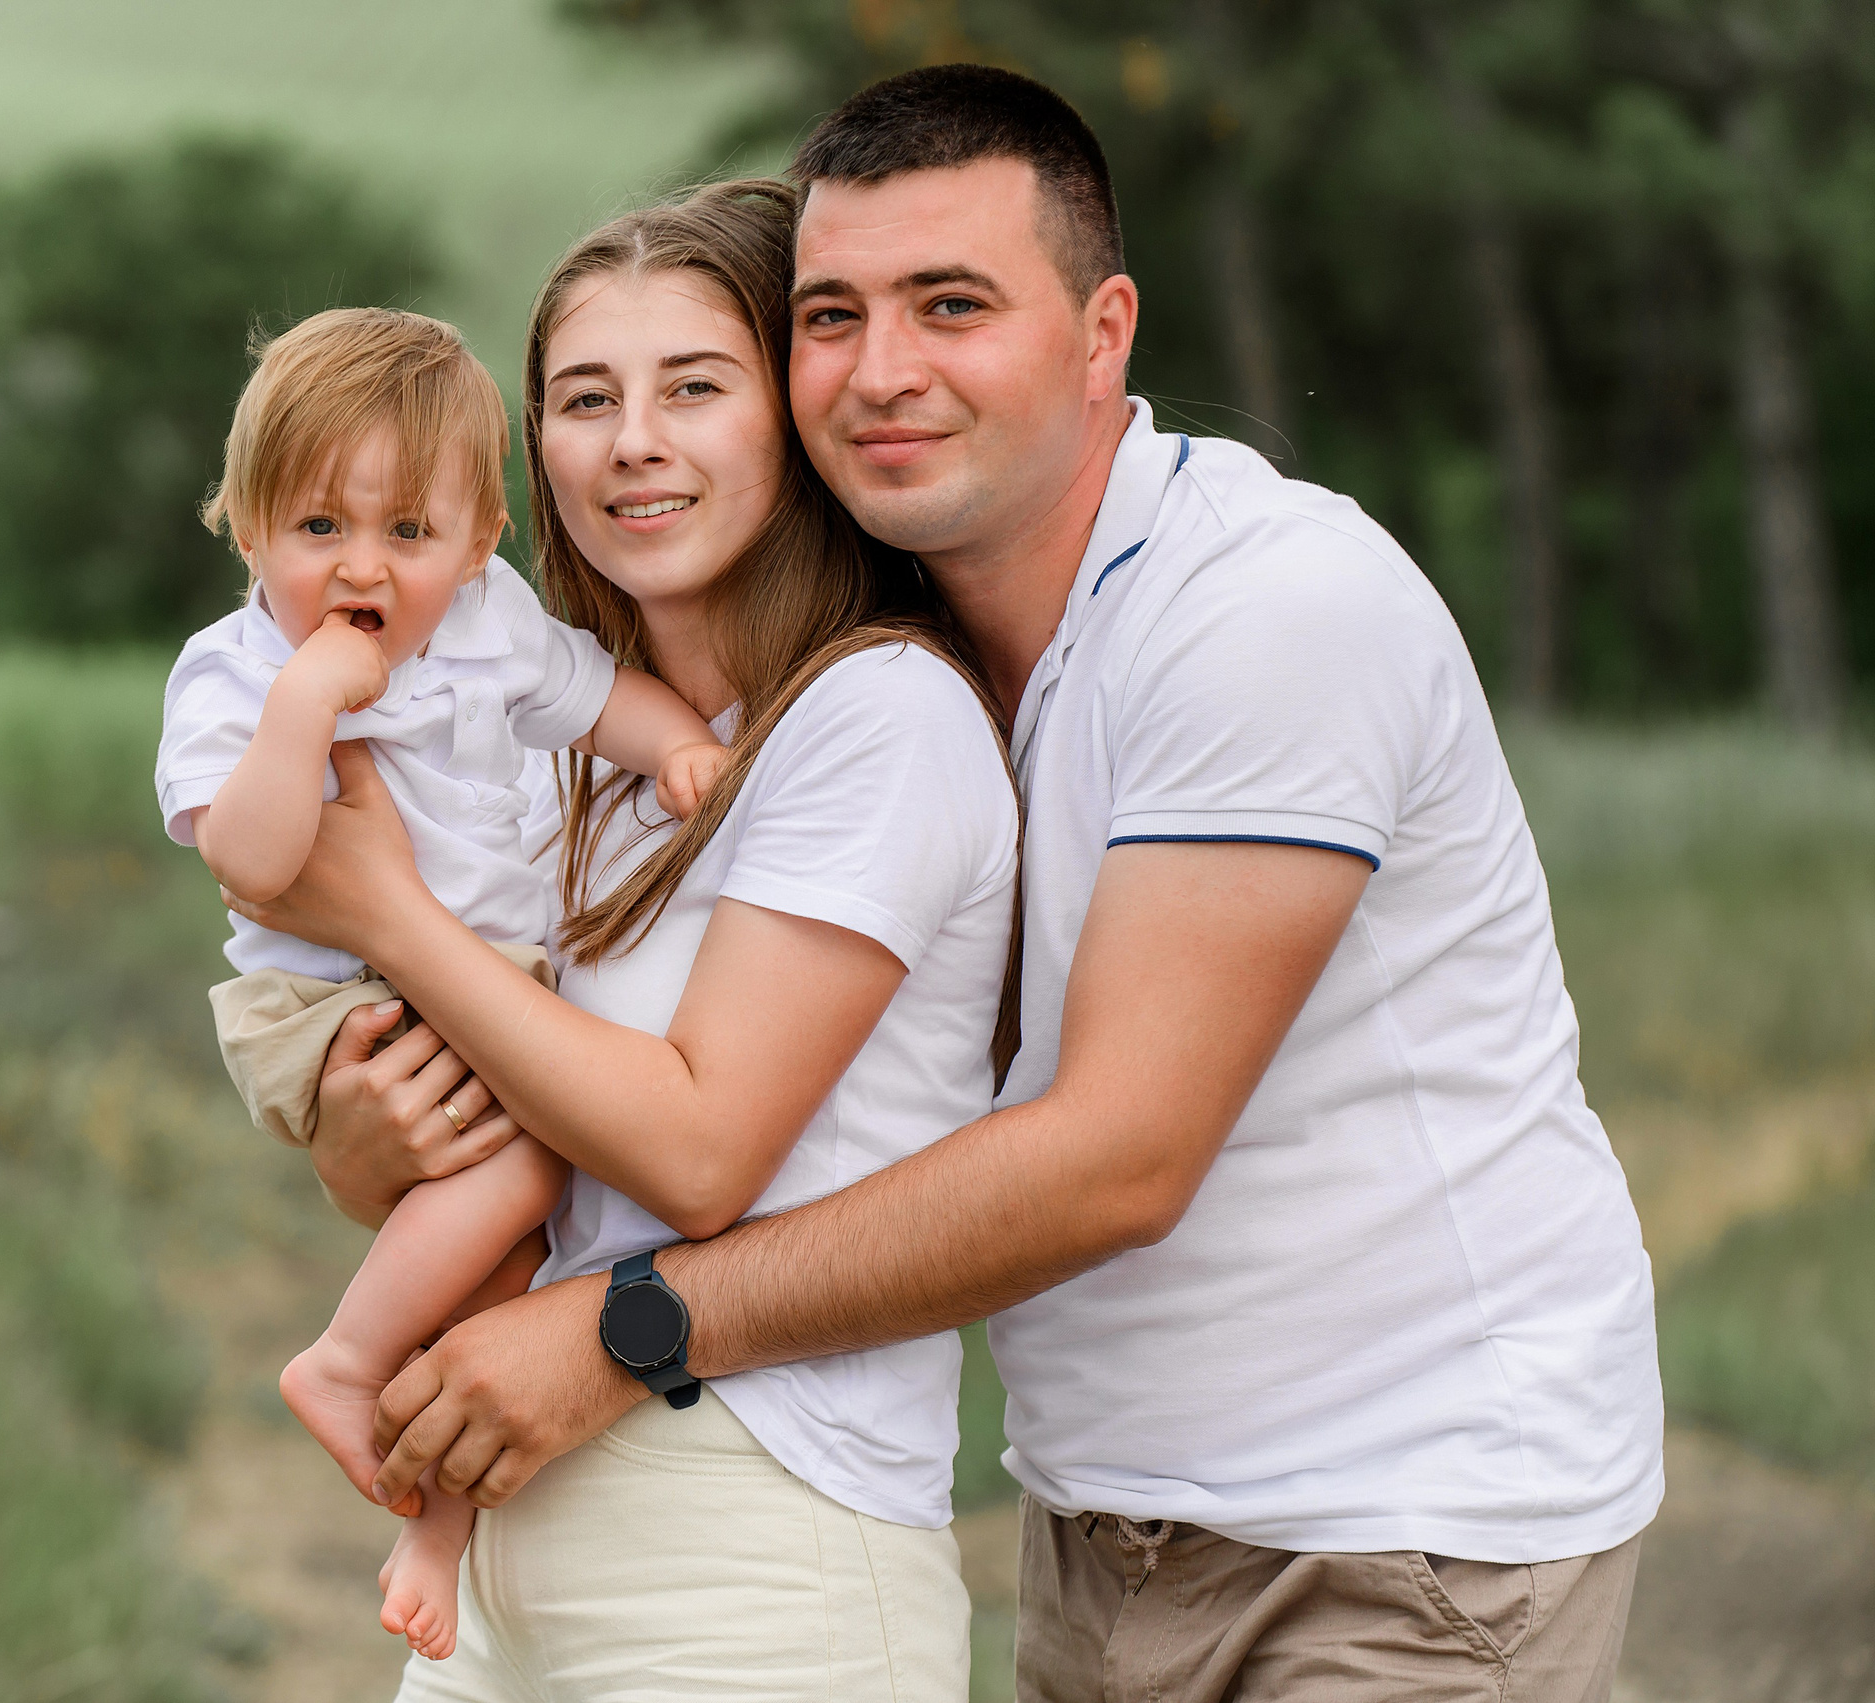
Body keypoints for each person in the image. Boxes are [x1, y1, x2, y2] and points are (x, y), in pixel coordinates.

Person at [261, 66, 1665, 1703]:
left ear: (1104, 331)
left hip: (1408, 1510)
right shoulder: (802, 675)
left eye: (952, 304)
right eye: (835, 315)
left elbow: (1112, 1158)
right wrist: (370, 1141)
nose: (883, 371)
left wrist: (617, 1329)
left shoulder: (1264, 613)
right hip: (1107, 1519)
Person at [234, 180, 1021, 1697]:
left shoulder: (874, 718)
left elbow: (697, 1154)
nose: (633, 441)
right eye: (585, 400)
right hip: (501, 1516)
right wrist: (353, 1136)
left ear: (792, 424)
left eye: (696, 389)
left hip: (752, 1536)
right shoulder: (545, 751)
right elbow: (472, 1145)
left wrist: (382, 909)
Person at [155, 306, 727, 1657]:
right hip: (327, 1010)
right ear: (246, 527)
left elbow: (591, 697)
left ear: (479, 546)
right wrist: (309, 704)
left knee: (515, 1257)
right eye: (317, 528)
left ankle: (436, 1517)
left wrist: (680, 750)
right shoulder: (238, 675)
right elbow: (245, 861)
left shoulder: (488, 630)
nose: (362, 567)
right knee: (535, 1172)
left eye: (407, 533)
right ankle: (343, 1362)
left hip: (463, 983)